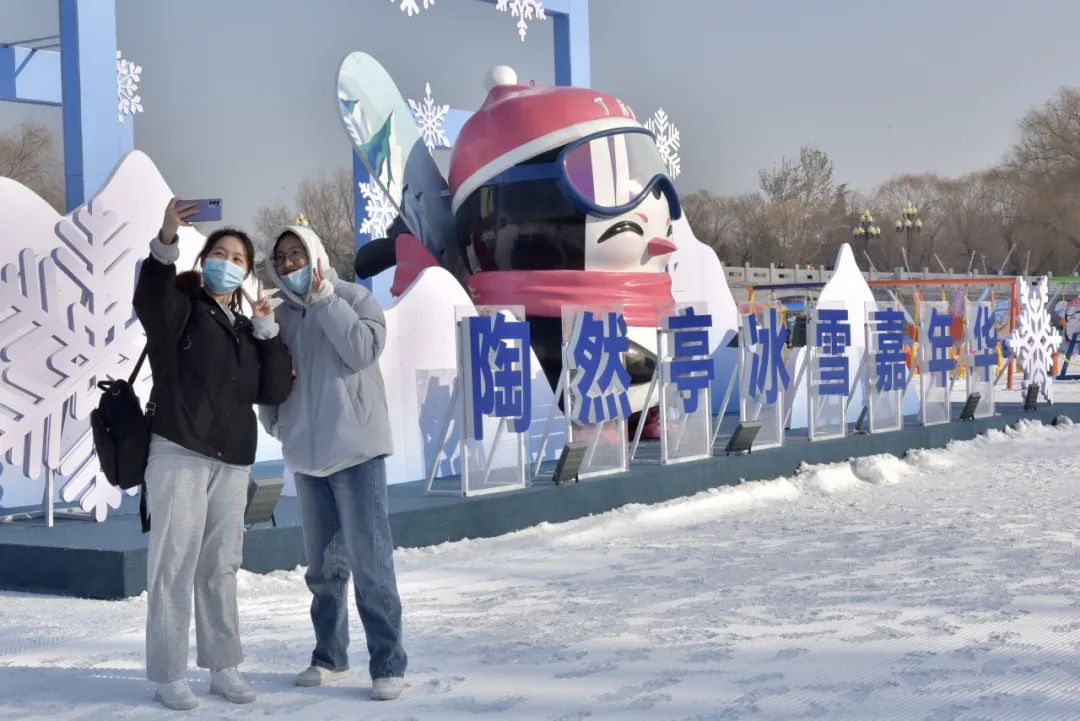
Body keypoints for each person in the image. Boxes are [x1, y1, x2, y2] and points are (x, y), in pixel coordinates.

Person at [133, 199, 293, 711]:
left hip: (232, 460)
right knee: (173, 564)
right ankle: (168, 672)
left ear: (247, 274)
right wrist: (165, 240)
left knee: (221, 564)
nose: (229, 262)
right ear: (204, 263)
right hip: (179, 450)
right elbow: (151, 301)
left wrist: (268, 332)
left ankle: (223, 665)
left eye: (239, 259)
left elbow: (272, 390)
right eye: (220, 254)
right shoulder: (180, 307)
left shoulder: (247, 330)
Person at [259, 222, 407, 701]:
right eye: (280, 258)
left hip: (356, 451)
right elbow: (276, 377)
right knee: (322, 568)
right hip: (306, 454)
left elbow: (362, 349)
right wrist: (275, 417)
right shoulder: (280, 314)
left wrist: (324, 300)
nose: (288, 265)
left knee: (370, 562)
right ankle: (330, 656)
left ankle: (387, 661)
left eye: (296, 255)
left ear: (315, 253)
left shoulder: (353, 298)